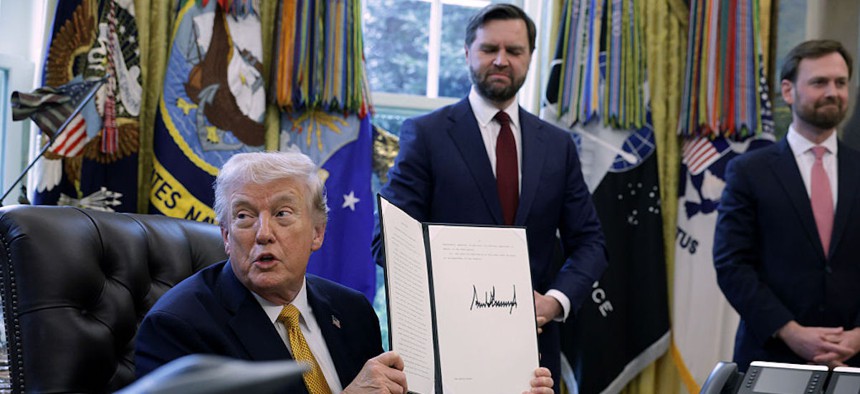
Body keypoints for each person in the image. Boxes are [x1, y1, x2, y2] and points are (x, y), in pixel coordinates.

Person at [135, 151, 555, 393]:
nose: (263, 234)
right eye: (244, 217)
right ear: (226, 237)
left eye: (282, 213)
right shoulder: (179, 327)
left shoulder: (352, 312)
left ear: (317, 233)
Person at [373, 4, 608, 390]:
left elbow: (591, 242)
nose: (501, 60)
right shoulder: (426, 135)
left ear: (530, 58)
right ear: (467, 53)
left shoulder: (558, 145)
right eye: (488, 49)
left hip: (533, 359)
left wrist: (556, 300)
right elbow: (389, 243)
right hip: (445, 351)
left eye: (514, 51)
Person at [714, 39, 860, 372]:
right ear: (788, 91)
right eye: (819, 82)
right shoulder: (749, 172)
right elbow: (732, 264)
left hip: (854, 361)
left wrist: (858, 337)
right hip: (772, 356)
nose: (832, 92)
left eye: (840, 82)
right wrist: (790, 331)